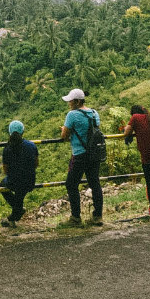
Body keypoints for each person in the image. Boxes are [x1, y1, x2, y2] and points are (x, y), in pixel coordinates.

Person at [60, 88, 103, 226]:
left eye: (71, 101)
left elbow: (64, 136)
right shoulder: (94, 113)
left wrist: (64, 130)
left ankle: (76, 217)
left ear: (77, 101)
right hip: (94, 154)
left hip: (79, 155)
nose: (69, 103)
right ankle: (97, 216)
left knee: (71, 184)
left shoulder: (72, 115)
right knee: (95, 183)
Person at [0, 120, 39, 227]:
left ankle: (17, 212)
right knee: (20, 193)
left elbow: (6, 170)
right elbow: (36, 164)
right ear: (23, 132)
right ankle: (14, 215)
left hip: (14, 182)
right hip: (30, 181)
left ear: (10, 132)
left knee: (2, 186)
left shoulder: (7, 149)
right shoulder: (31, 146)